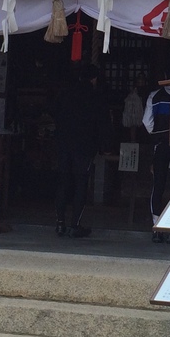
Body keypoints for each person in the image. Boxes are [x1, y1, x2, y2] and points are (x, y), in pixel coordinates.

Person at [52, 62, 106, 238]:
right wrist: (103, 146)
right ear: (94, 78)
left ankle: (60, 223)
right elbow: (101, 124)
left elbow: (55, 114)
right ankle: (75, 224)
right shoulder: (95, 96)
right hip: (84, 146)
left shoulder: (65, 93)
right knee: (81, 183)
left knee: (63, 181)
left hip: (63, 143)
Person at [144, 68, 170, 243]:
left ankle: (156, 227)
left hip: (160, 144)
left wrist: (157, 134)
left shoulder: (155, 96)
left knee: (158, 184)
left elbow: (147, 122)